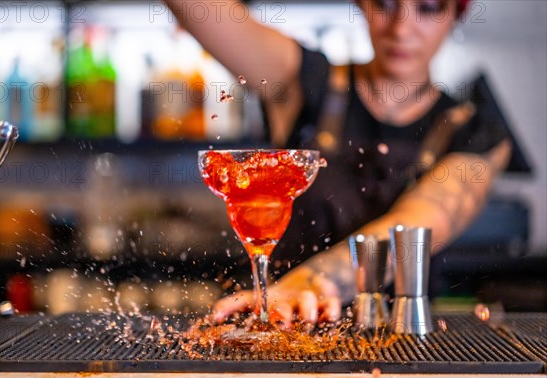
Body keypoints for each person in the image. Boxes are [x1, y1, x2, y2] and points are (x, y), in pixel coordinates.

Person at [162, 0, 513, 327]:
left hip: (399, 344)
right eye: (385, 3)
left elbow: (418, 223)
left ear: (456, 13)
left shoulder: (476, 132)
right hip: (281, 325)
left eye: (428, 7)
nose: (402, 28)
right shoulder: (302, 80)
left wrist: (315, 281)